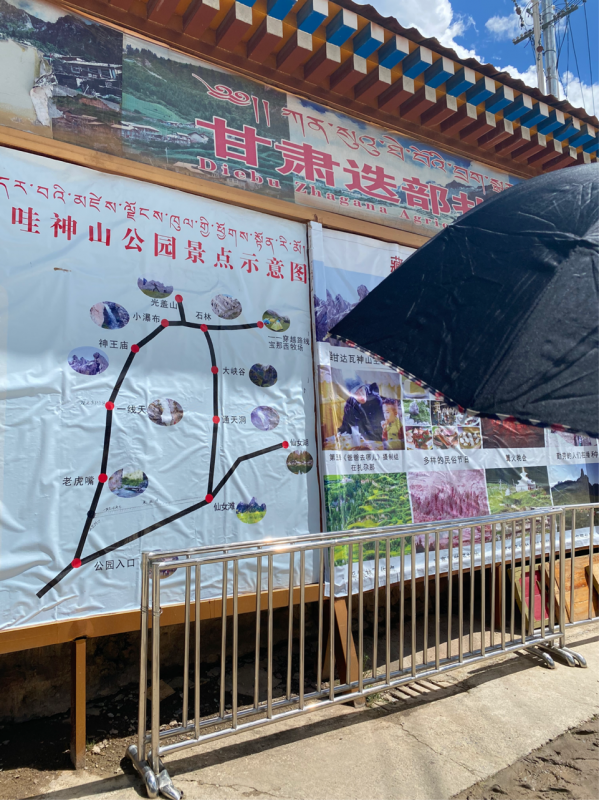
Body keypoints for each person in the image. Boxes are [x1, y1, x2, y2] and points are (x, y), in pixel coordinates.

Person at [338, 375, 384, 442]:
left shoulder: (376, 401)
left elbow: (380, 428)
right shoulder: (349, 404)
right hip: (358, 441)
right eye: (356, 393)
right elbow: (346, 426)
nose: (360, 395)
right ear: (350, 394)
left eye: (361, 390)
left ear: (364, 387)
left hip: (375, 441)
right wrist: (339, 434)